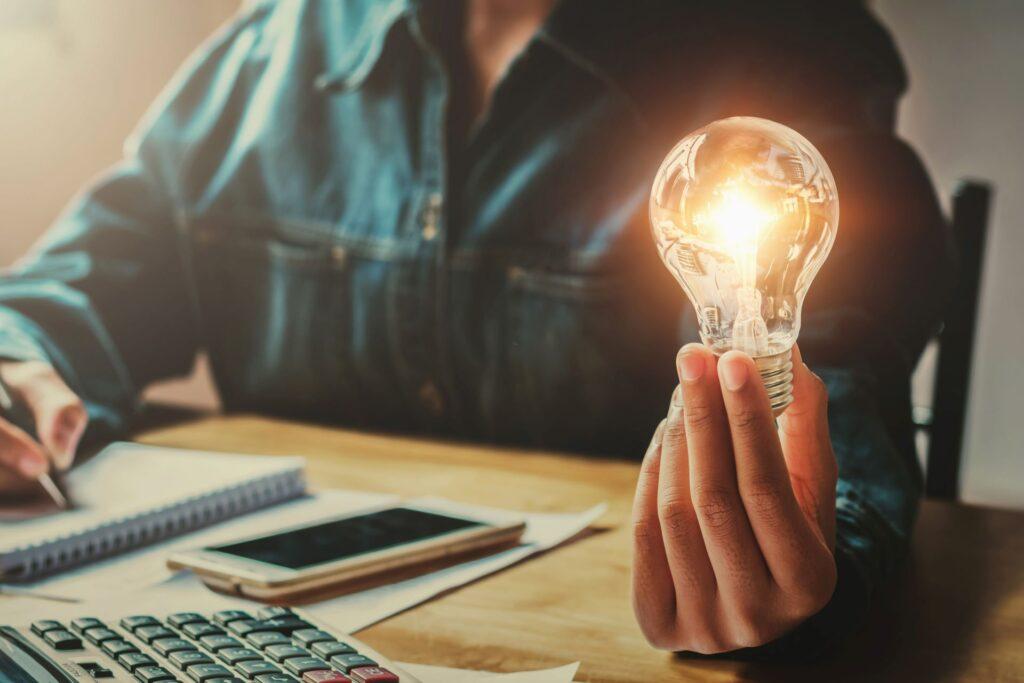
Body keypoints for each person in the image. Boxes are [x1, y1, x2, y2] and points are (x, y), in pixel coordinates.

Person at [0, 0, 950, 658]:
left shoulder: (781, 60)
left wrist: (812, 559)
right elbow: (73, 287)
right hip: (270, 637)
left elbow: (839, 350)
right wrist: (14, 365)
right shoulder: (271, 52)